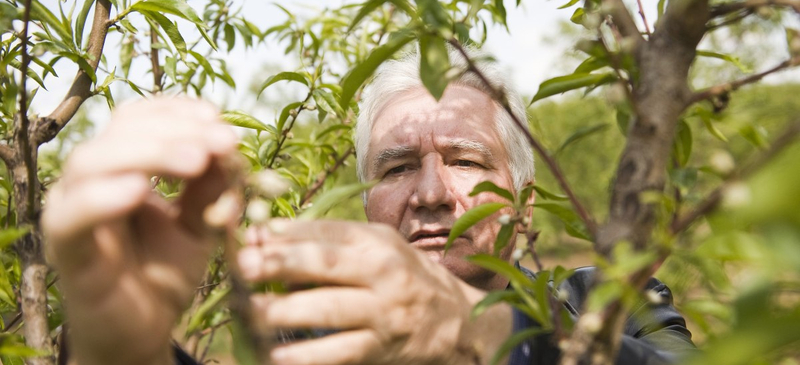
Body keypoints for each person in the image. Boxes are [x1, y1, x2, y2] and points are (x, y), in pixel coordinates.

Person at [42, 48, 695, 365]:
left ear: (526, 205)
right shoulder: (308, 326)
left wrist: (488, 330)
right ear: (364, 202)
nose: (433, 193)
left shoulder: (608, 303)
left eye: (467, 161)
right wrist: (122, 351)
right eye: (398, 166)